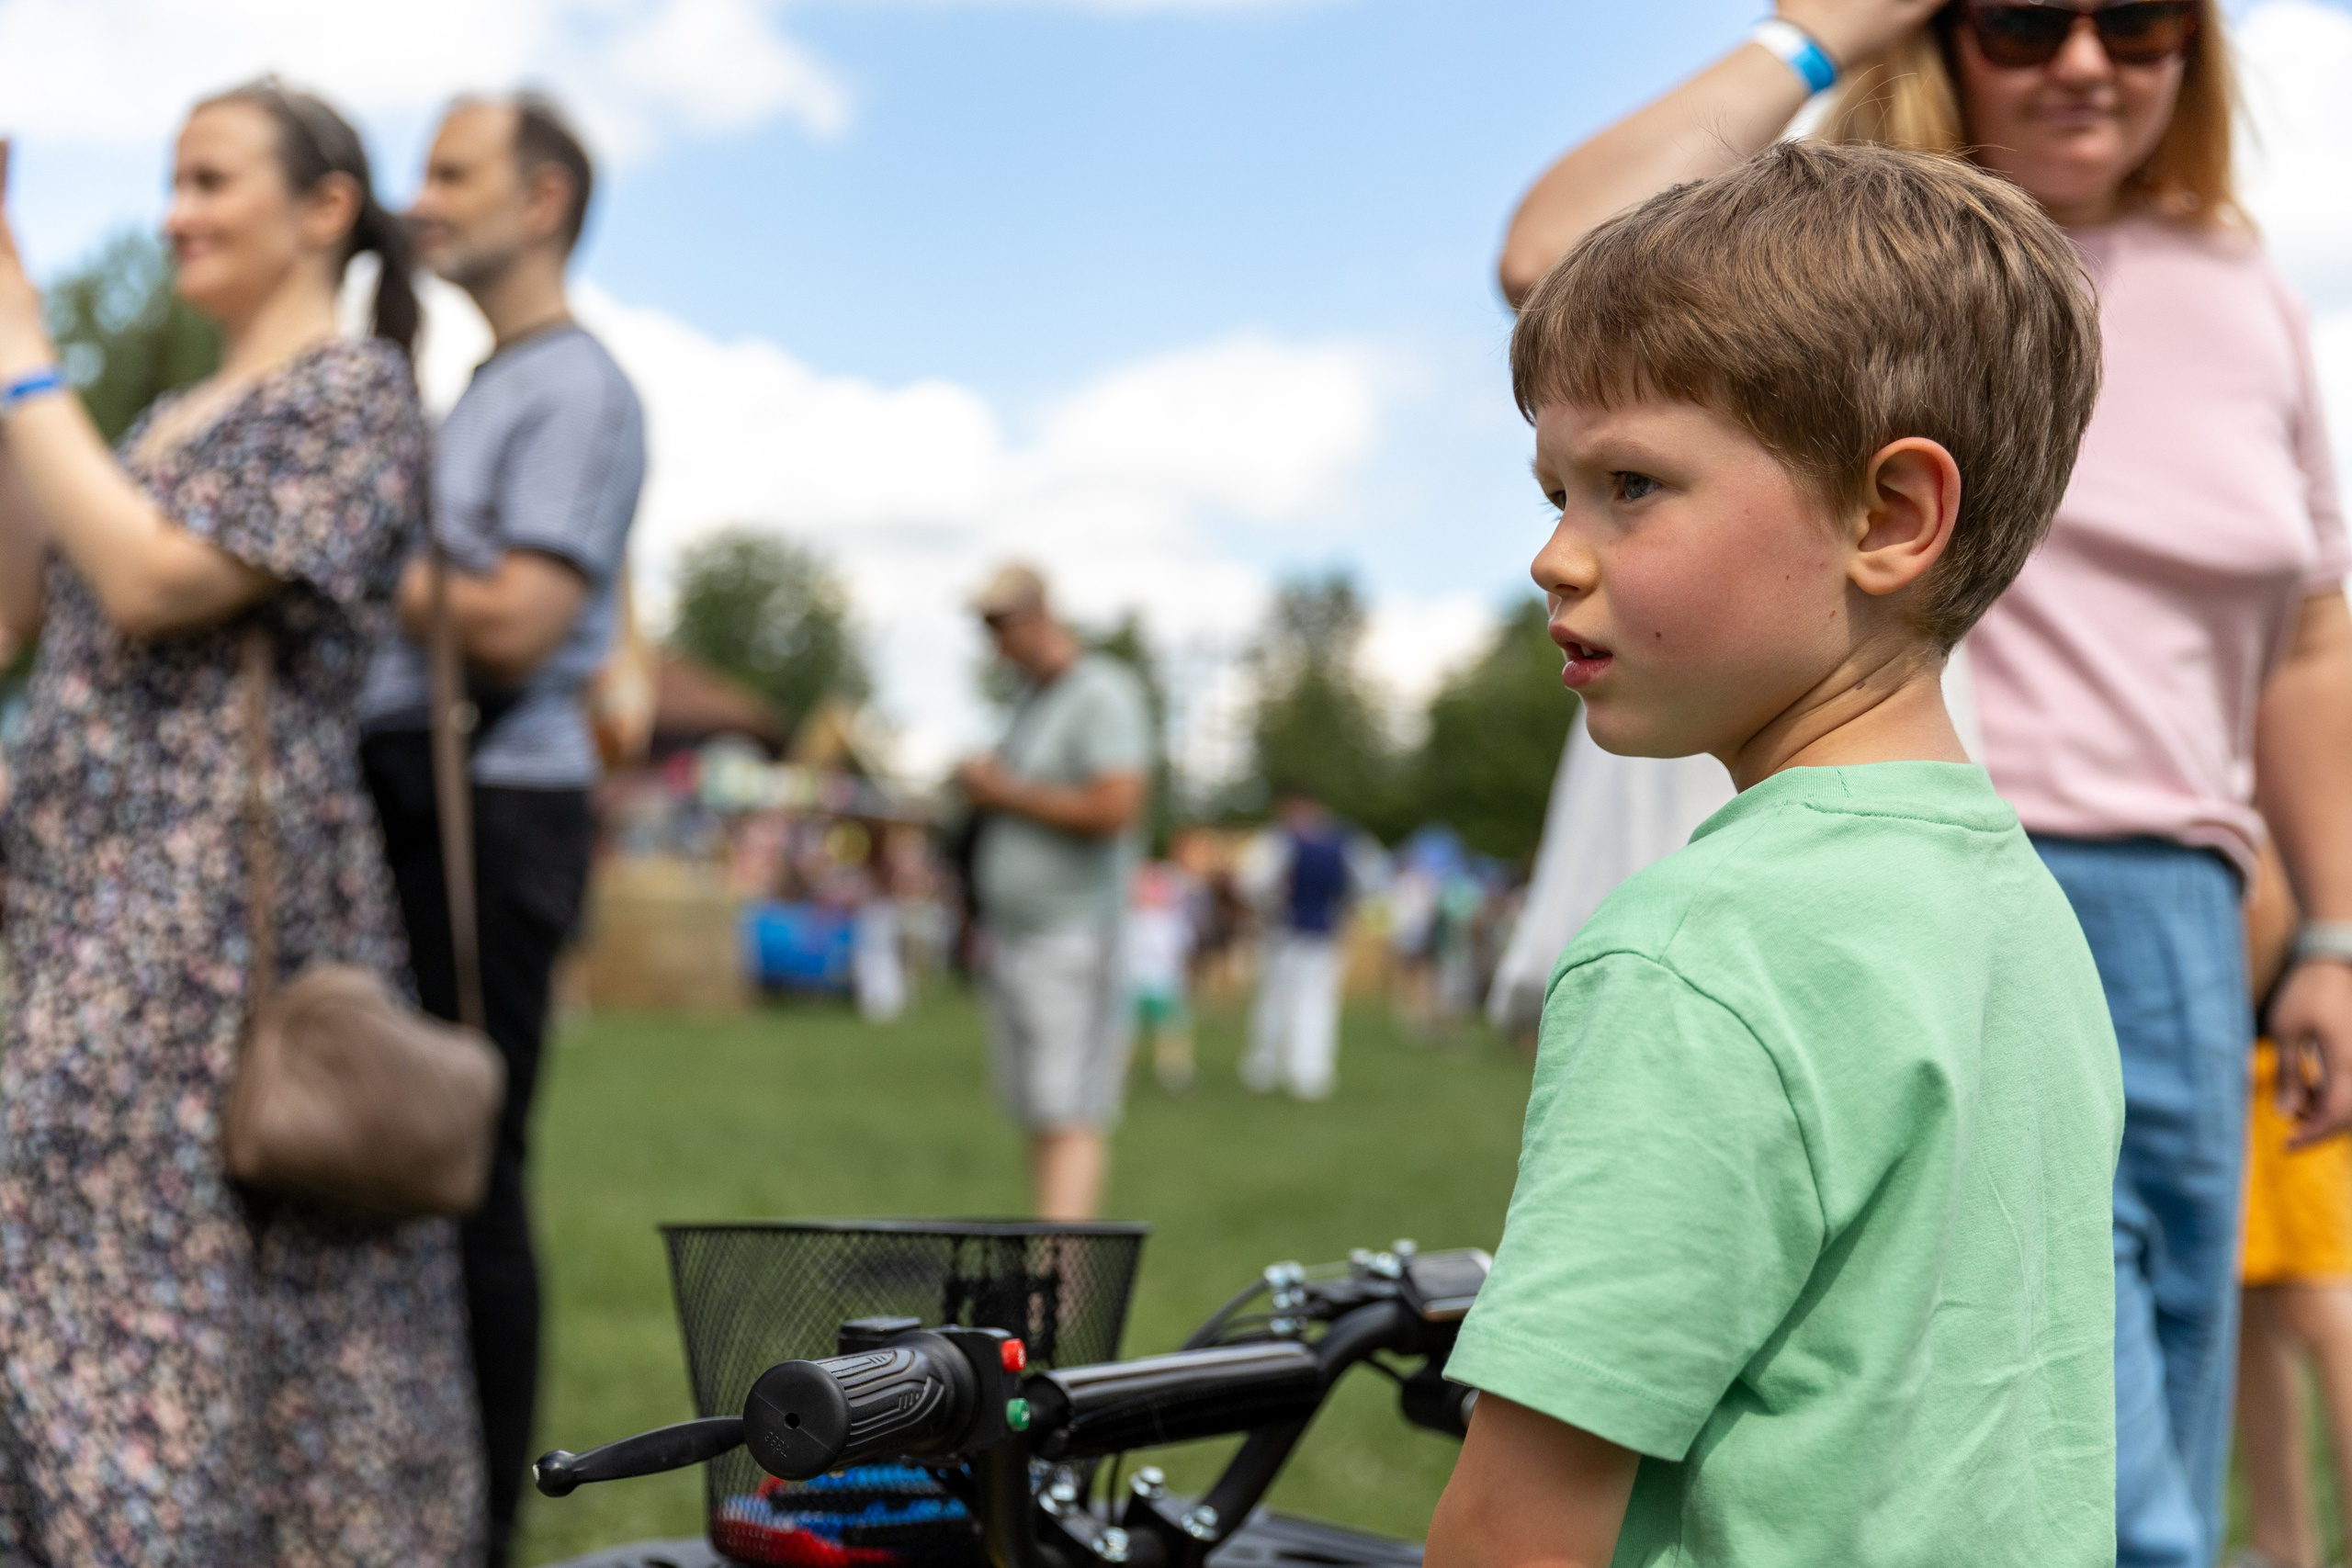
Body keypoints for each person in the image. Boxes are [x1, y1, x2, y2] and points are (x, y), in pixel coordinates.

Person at [1494, 6, 2352, 1560]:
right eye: (2023, 18)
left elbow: (2310, 638)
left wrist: (2338, 933)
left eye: (2141, 18)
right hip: (1913, 869)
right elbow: (1561, 260)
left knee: (2077, 1416)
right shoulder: (1844, 245)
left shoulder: (2245, 290)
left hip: (2160, 910)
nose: (2086, 58)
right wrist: (1827, 31)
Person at [1426, 142, 2120, 1568]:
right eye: (1555, 490)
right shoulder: (2019, 912)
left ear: (1890, 517)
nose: (1557, 555)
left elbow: (1520, 1521)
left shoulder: (1696, 949)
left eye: (1630, 484)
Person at [0, 83, 481, 1563]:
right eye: (169, 180)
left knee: (118, 1258)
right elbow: (24, 605)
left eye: (210, 179)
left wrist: (25, 354)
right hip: (82, 892)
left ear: (322, 208)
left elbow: (153, 583)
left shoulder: (354, 395)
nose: (174, 214)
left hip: (209, 909)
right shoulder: (161, 417)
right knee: (110, 1273)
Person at [356, 91, 643, 1568]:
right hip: (423, 782)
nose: (423, 195)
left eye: (452, 170)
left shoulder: (574, 387)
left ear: (541, 200)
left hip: (489, 797)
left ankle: (474, 1527)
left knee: (462, 1159)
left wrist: (344, 538)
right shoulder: (487, 384)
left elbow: (518, 621)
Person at [956, 563, 1149, 1221]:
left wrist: (1003, 790)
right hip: (1019, 936)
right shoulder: (1033, 704)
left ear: (1038, 615)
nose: (994, 643)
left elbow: (1115, 805)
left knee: (1070, 1111)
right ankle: (1048, 1269)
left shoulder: (1102, 692)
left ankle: (1061, 1295)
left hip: (1077, 932)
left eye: (999, 625)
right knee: (1041, 1111)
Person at [2234, 836, 2352, 1568]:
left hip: (2281, 1041)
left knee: (2320, 1298)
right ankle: (2282, 1544)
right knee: (2243, 1300)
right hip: (2246, 1048)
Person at [1240, 789, 1374, 1099]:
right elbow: (1368, 882)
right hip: (1323, 931)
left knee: (1275, 1000)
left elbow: (1254, 884)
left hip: (1285, 931)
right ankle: (1309, 1074)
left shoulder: (1279, 841)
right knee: (1315, 1004)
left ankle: (1266, 1067)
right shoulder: (1345, 842)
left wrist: (1267, 908)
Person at [1128, 860, 1199, 1091]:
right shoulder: (1134, 920)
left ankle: (1174, 1071)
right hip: (1136, 983)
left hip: (1163, 983)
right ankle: (1122, 1071)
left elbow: (1183, 951)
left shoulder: (1170, 922)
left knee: (1170, 1030)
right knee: (1126, 1032)